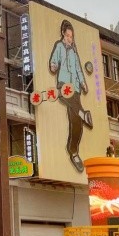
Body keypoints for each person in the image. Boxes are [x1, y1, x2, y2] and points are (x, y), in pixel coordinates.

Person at [48, 19, 91, 173]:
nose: (69, 39)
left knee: (76, 122)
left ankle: (73, 151)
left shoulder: (74, 52)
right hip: (64, 85)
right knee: (67, 99)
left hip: (76, 88)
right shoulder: (59, 46)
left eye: (71, 37)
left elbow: (78, 69)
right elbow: (54, 61)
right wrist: (53, 66)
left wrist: (83, 83)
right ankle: (83, 114)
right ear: (63, 34)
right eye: (67, 36)